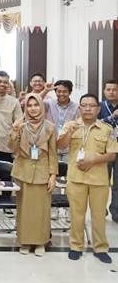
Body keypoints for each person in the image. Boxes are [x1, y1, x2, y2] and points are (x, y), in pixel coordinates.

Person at [58, 94, 118, 263]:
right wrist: (68, 133)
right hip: (76, 178)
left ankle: (100, 248)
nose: (88, 108)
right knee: (77, 215)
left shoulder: (106, 129)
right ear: (79, 108)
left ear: (98, 109)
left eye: (92, 105)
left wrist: (93, 160)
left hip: (99, 180)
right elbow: (60, 146)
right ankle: (76, 246)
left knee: (98, 216)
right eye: (84, 105)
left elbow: (112, 154)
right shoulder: (71, 125)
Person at [9, 94, 58, 256]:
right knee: (24, 209)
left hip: (43, 173)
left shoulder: (50, 127)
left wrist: (53, 175)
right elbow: (12, 148)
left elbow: (53, 153)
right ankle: (24, 240)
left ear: (41, 107)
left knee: (42, 210)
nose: (33, 109)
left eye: (36, 105)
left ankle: (40, 242)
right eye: (29, 106)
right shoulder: (20, 125)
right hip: (23, 172)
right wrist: (15, 131)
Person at [44, 80, 80, 162]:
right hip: (51, 147)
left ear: (70, 92)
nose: (61, 94)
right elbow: (36, 101)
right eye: (59, 91)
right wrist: (46, 90)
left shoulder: (76, 107)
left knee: (67, 173)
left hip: (69, 149)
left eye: (65, 91)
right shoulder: (49, 103)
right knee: (52, 173)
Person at [99, 80, 118, 221]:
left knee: (117, 182)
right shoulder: (99, 106)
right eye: (109, 89)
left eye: (115, 89)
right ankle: (100, 209)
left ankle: (116, 211)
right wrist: (112, 117)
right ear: (104, 91)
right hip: (104, 149)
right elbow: (96, 124)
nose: (112, 92)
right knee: (101, 181)